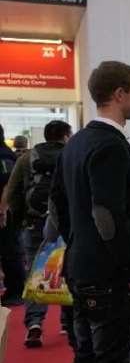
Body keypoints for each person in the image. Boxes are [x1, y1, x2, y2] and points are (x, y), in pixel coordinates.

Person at [50, 60, 130, 363]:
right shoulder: (110, 144)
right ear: (119, 93)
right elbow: (105, 215)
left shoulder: (75, 142)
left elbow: (56, 206)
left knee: (85, 358)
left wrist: (78, 243)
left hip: (80, 265)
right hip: (109, 274)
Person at [14, 120, 74, 348]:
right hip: (66, 224)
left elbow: (14, 190)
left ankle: (34, 324)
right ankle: (67, 321)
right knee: (67, 269)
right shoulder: (72, 155)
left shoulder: (27, 157)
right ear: (66, 136)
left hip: (34, 222)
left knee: (35, 271)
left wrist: (22, 219)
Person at [0, 123, 20, 308]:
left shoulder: (4, 155)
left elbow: (7, 186)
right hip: (5, 209)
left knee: (9, 250)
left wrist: (2, 211)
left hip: (4, 211)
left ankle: (15, 290)